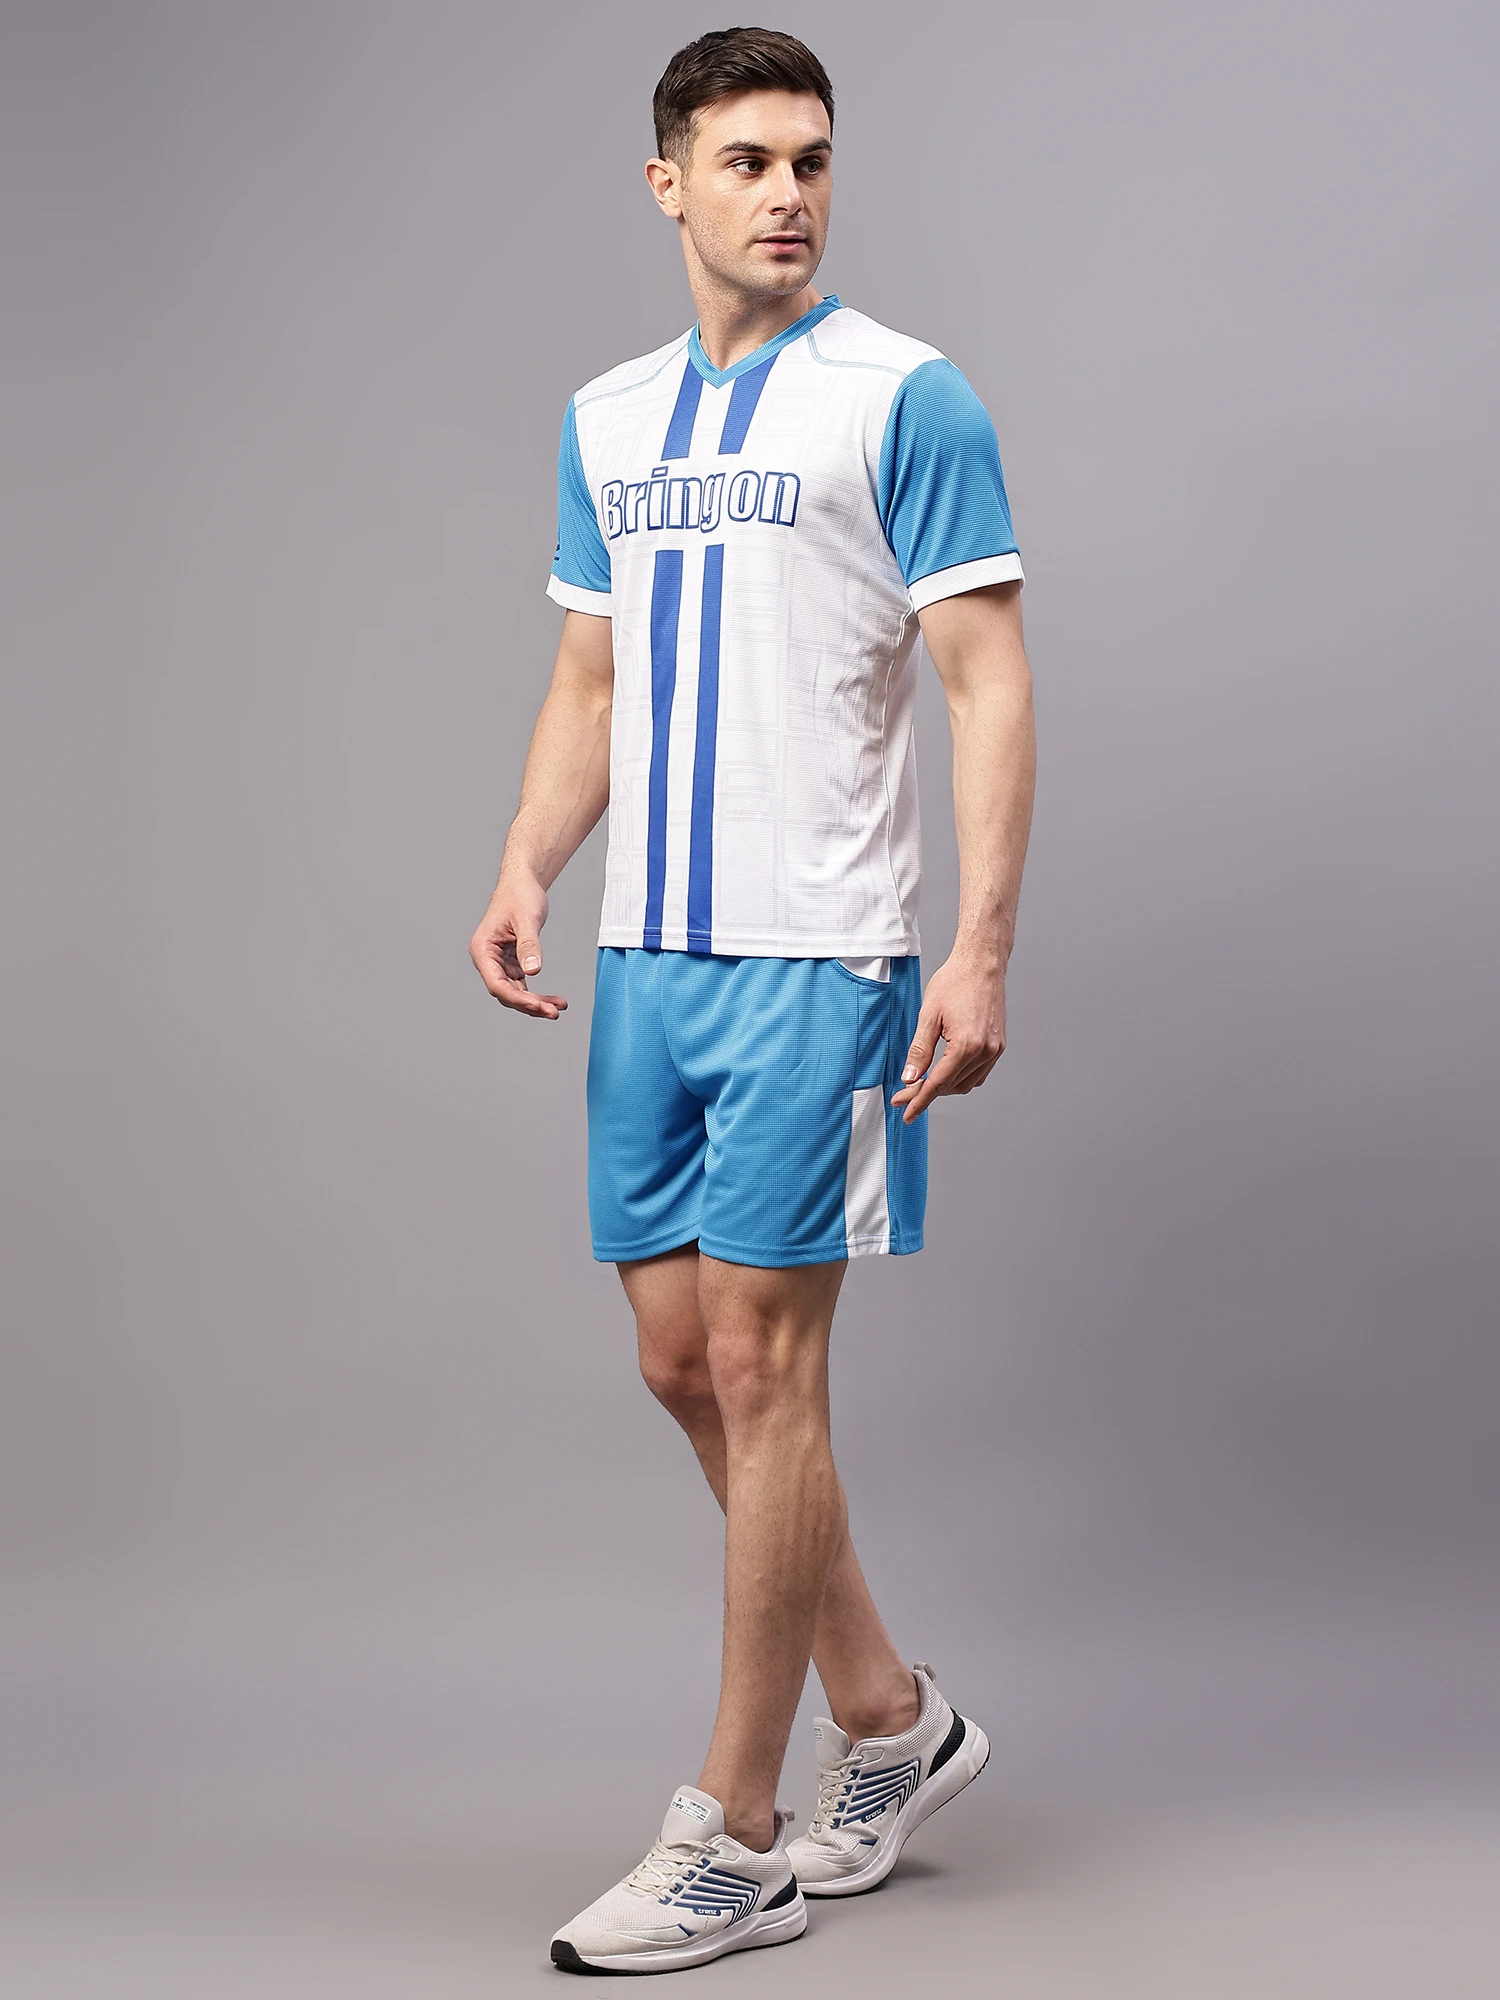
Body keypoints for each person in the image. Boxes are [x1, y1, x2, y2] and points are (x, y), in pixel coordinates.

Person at [469, 26, 1036, 1977]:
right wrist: (529, 860)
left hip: (825, 953)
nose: (788, 193)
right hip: (654, 953)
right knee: (682, 1366)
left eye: (811, 160)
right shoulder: (609, 417)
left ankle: (731, 1830)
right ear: (669, 185)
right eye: (747, 162)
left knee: (773, 1367)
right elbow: (592, 678)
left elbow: (986, 681)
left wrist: (977, 945)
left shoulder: (908, 398)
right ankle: (893, 1718)